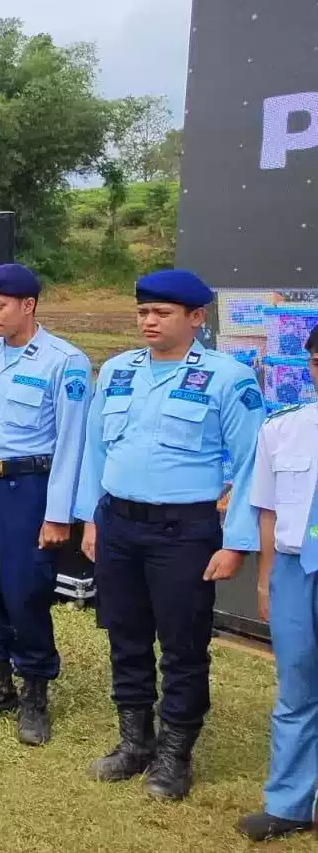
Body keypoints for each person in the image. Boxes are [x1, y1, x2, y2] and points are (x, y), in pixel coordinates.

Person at [75, 268, 263, 802]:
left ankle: (174, 755)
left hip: (184, 531)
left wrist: (236, 543)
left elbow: (252, 466)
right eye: (143, 312)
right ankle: (135, 742)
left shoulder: (229, 378)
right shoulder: (115, 370)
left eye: (162, 313)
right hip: (118, 524)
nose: (149, 321)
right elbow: (96, 451)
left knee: (182, 645)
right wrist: (91, 518)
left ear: (196, 318)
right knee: (125, 634)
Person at [0, 264, 89, 746]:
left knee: (25, 590)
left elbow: (72, 443)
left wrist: (58, 514)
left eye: (0, 306)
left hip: (29, 489)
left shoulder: (64, 361)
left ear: (28, 305)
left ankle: (35, 694)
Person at [234, 325, 318, 842]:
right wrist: (265, 581)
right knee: (296, 691)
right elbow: (266, 511)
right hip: (294, 571)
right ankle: (287, 803)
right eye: (317, 359)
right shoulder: (283, 428)